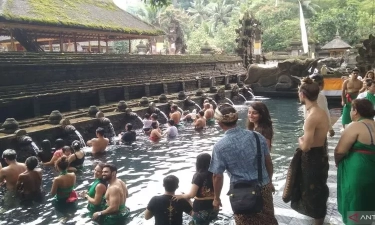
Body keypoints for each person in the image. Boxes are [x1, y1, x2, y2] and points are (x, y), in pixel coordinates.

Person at [208, 104, 277, 225]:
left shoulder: (219, 146)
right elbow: (268, 162)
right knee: (268, 221)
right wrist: (269, 181)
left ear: (219, 123)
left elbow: (217, 176)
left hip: (241, 193)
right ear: (236, 119)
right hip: (263, 187)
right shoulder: (257, 136)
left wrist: (216, 198)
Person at [288, 77, 330, 225]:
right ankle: (319, 219)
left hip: (312, 157)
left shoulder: (311, 117)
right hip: (322, 154)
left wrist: (299, 139)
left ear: (302, 95)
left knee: (312, 191)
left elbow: (306, 146)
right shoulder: (321, 112)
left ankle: (318, 222)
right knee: (319, 187)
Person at [335, 99, 375, 224]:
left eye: (352, 109)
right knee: (368, 201)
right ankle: (367, 221)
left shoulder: (356, 125)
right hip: (371, 170)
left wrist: (338, 163)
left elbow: (340, 151)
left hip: (357, 172)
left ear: (356, 111)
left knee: (355, 202)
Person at [173, 153, 218, 225]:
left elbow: (191, 195)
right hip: (214, 208)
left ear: (198, 163)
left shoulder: (198, 175)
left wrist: (181, 196)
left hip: (201, 209)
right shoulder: (215, 174)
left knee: (185, 197)